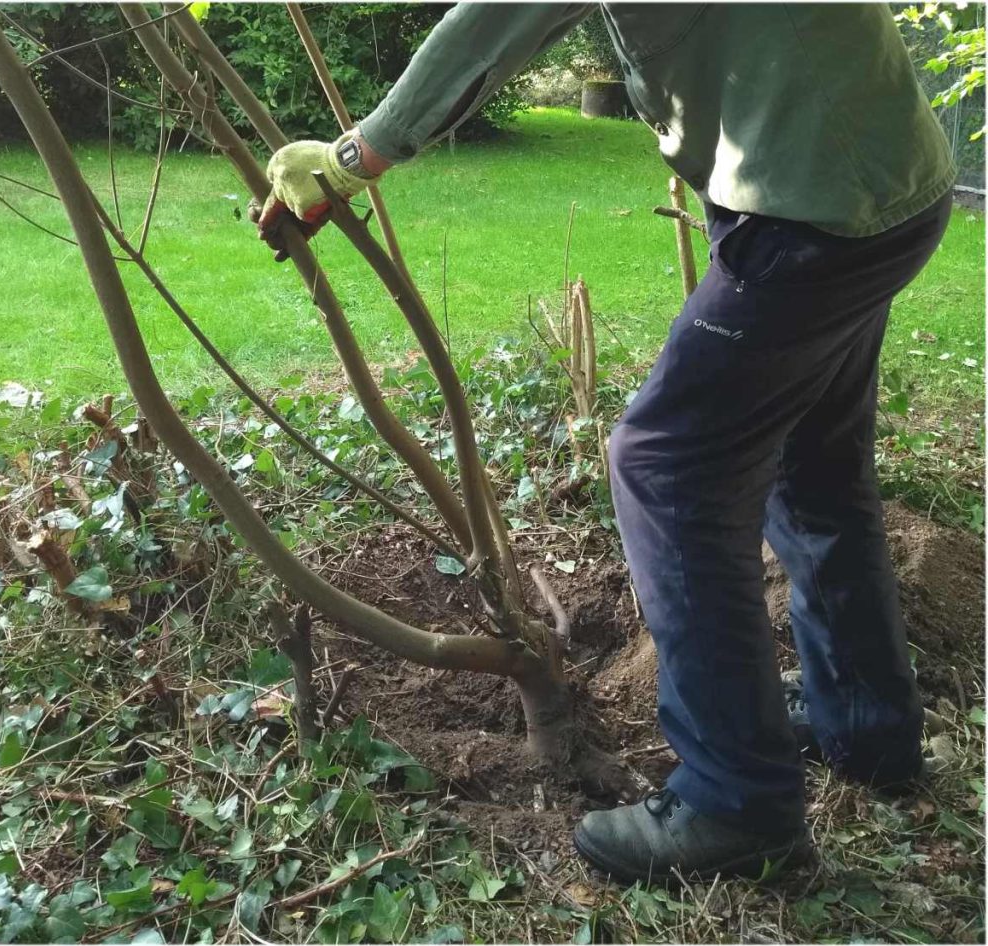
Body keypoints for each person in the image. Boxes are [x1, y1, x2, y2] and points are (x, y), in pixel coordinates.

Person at [255, 4, 956, 881]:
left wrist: (355, 156)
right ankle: (865, 724)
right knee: (813, 458)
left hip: (811, 212)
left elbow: (506, 15)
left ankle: (739, 803)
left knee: (665, 467)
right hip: (881, 185)